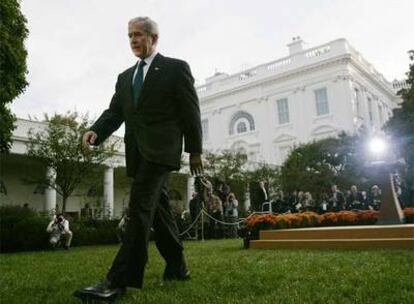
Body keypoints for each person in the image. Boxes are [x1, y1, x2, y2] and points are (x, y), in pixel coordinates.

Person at [77, 16, 203, 298]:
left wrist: (195, 150)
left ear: (153, 38)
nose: (133, 40)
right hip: (137, 153)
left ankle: (118, 280)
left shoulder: (175, 68)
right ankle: (177, 266)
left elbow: (190, 111)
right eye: (130, 36)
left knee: (138, 210)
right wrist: (95, 131)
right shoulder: (125, 78)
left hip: (161, 151)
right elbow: (115, 112)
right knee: (158, 211)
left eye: (138, 35)